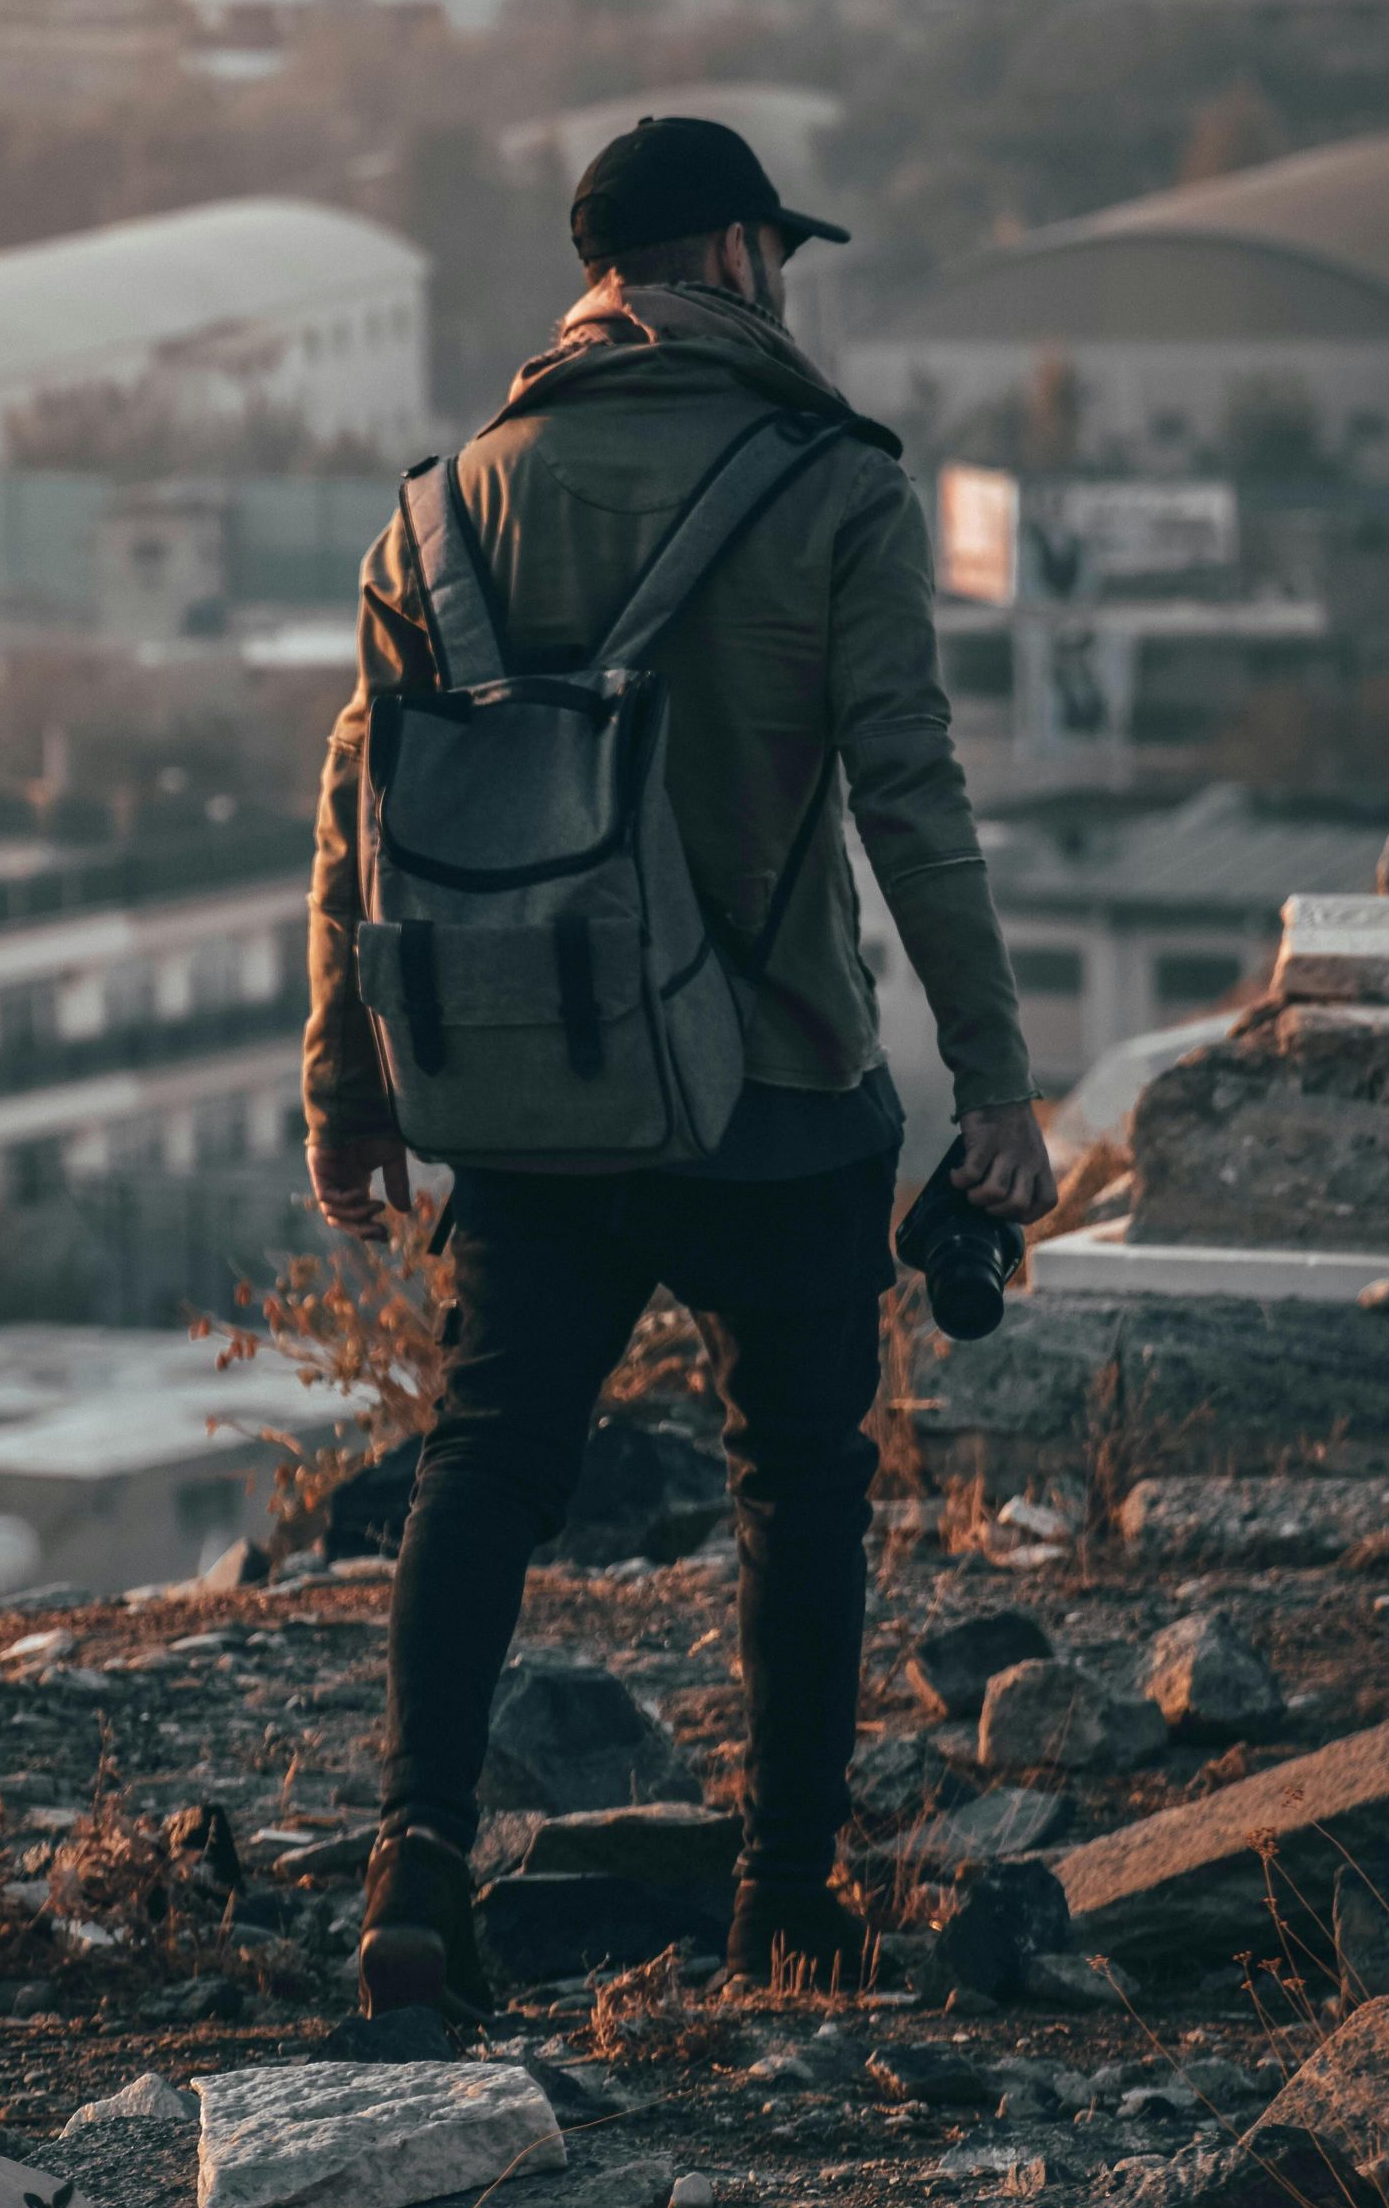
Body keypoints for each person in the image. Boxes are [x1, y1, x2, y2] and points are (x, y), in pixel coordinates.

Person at [303, 114, 1056, 2017]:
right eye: (775, 256)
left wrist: (351, 1086)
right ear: (729, 256)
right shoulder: (833, 485)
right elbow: (911, 793)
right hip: (781, 1088)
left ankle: (413, 1867)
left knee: (485, 1468)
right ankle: (784, 1908)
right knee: (802, 1485)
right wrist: (996, 1081)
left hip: (529, 1092)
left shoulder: (440, 506)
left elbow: (359, 806)